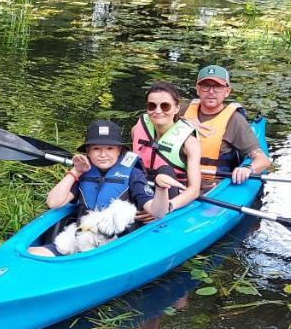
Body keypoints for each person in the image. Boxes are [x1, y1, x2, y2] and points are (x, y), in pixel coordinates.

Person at [28, 120, 178, 257]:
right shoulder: (85, 172)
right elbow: (53, 202)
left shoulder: (133, 174)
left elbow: (158, 211)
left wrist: (161, 189)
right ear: (88, 151)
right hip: (81, 239)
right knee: (31, 254)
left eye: (110, 148)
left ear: (119, 150)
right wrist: (76, 171)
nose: (103, 154)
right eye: (96, 149)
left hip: (118, 246)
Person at [183, 65, 272, 188]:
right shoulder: (181, 113)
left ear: (227, 91)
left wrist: (247, 169)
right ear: (197, 89)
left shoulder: (235, 121)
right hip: (178, 179)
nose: (211, 91)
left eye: (218, 86)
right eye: (205, 86)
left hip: (211, 185)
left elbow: (263, 160)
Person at [129, 81, 202, 220]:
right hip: (141, 190)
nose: (157, 111)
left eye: (165, 106)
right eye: (152, 106)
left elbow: (194, 190)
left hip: (170, 197)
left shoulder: (190, 143)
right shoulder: (136, 130)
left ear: (176, 108)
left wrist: (166, 207)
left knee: (165, 170)